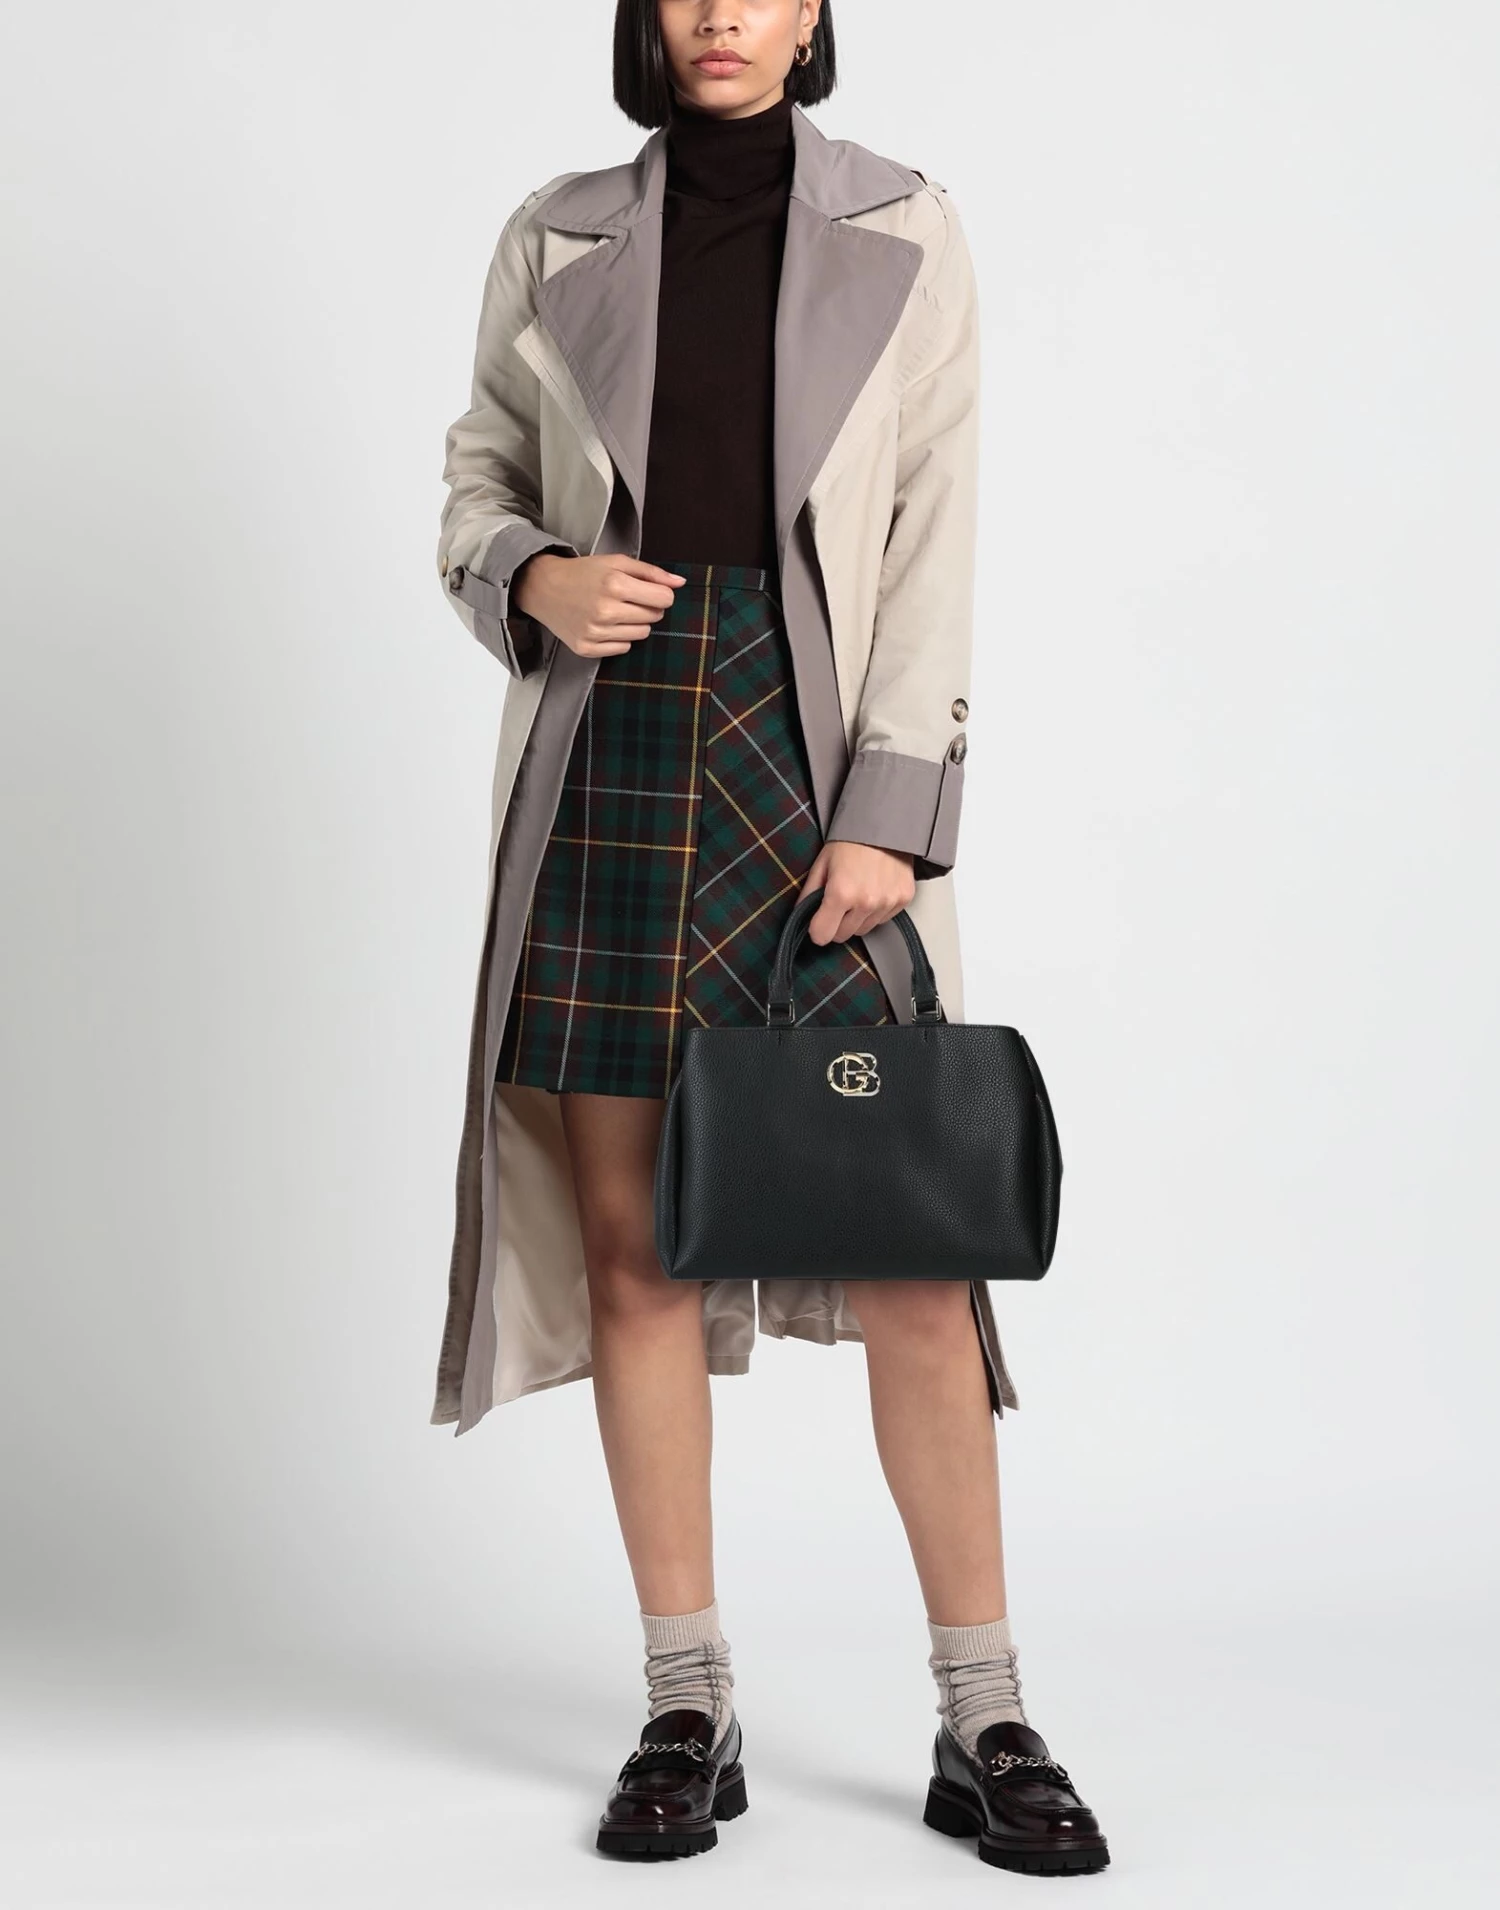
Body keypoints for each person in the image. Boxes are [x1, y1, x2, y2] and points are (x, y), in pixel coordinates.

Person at [434, 0, 1109, 1874]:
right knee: (637, 1247)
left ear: (816, 11)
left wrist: (894, 807)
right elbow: (475, 481)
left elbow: (936, 524)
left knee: (916, 1259)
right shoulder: (557, 231)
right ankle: (687, 1697)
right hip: (611, 753)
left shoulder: (907, 224)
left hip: (815, 767)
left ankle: (986, 1712)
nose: (721, 12)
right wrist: (533, 575)